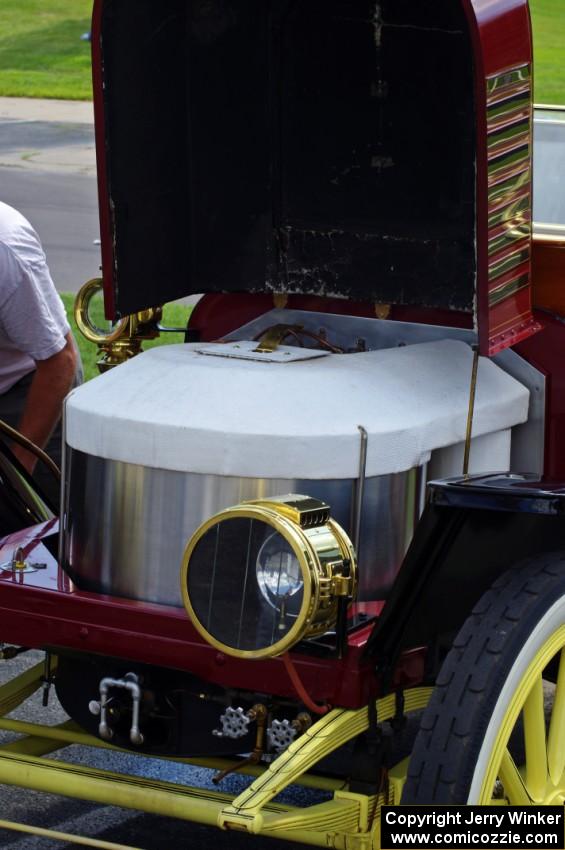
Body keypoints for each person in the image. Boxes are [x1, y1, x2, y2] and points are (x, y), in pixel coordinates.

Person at [0, 201, 81, 506]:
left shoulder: (6, 250)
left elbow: (59, 362)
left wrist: (20, 473)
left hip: (30, 385)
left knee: (39, 523)